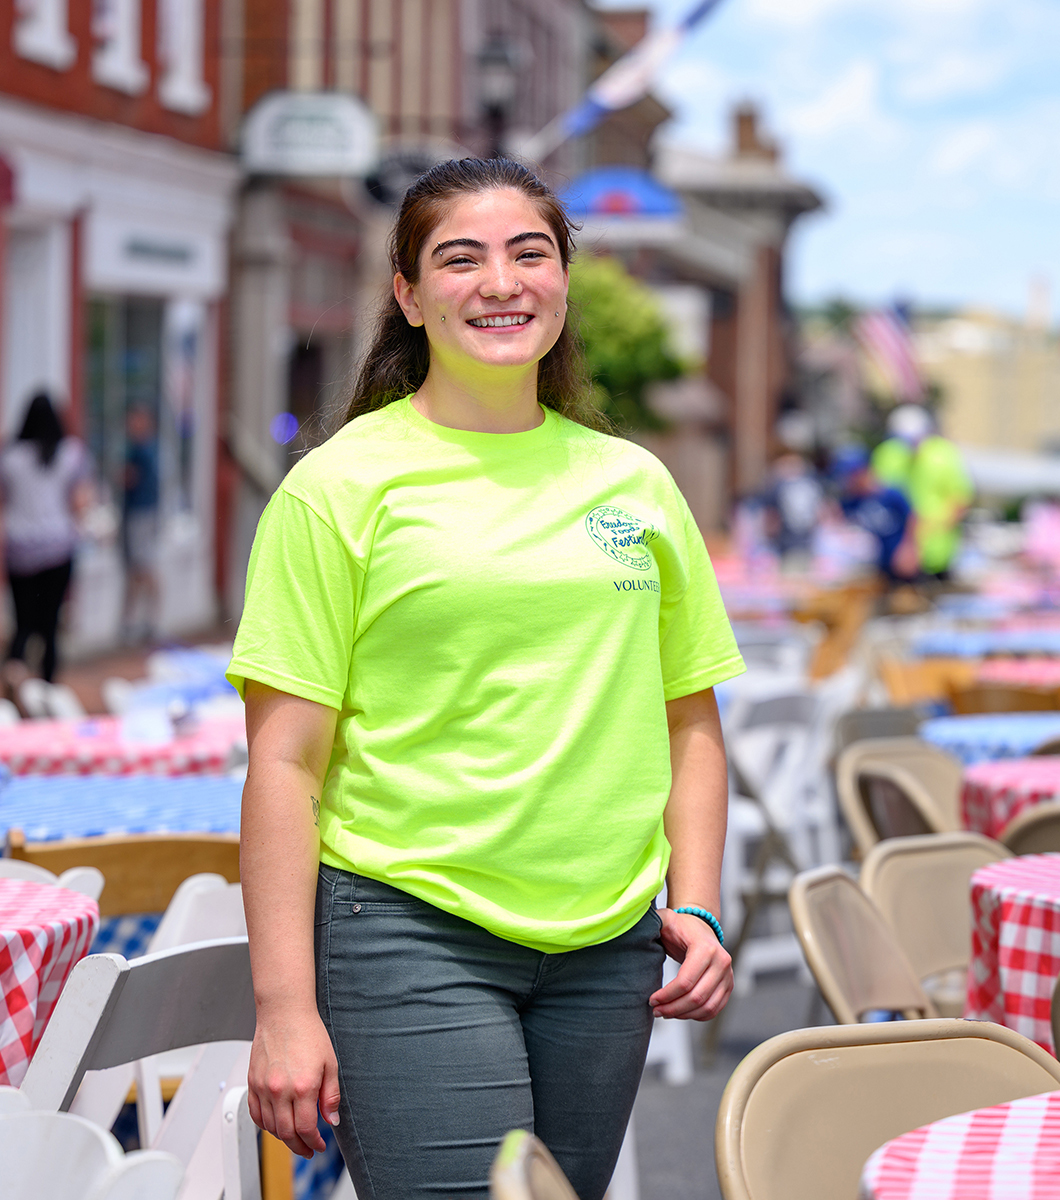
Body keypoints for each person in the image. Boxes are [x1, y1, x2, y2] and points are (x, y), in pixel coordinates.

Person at [227, 158, 743, 1200]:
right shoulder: (339, 488)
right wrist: (285, 1006)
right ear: (410, 297)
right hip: (409, 927)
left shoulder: (633, 482)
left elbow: (690, 721)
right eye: (460, 259)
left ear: (563, 280)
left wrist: (699, 905)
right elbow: (282, 765)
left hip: (607, 948)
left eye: (530, 253)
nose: (501, 282)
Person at [0, 392, 89, 684]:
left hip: (18, 550)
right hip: (58, 549)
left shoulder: (8, 456)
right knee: (50, 626)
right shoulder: (71, 454)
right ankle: (48, 692)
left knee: (22, 625)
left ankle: (13, 691)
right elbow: (81, 502)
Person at [870, 404, 974, 579]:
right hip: (893, 555)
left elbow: (960, 502)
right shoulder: (888, 453)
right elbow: (877, 499)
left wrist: (927, 531)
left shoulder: (944, 454)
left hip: (935, 556)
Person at [834, 446, 918, 584]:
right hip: (877, 564)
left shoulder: (891, 494)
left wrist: (910, 549)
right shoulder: (852, 501)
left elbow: (913, 518)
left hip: (900, 558)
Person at [121, 405, 161, 641]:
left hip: (141, 513)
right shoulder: (147, 449)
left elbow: (130, 479)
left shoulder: (141, 451)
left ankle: (144, 622)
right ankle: (136, 621)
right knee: (139, 568)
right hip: (143, 512)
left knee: (142, 567)